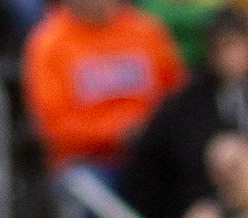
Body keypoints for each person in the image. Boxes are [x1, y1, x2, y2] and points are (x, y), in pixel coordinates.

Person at [118, 6, 248, 218]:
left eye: (237, 43)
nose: (231, 55)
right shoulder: (184, 106)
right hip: (208, 215)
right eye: (223, 46)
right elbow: (149, 171)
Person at [22, 0, 184, 174]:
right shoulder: (48, 42)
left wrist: (151, 130)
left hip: (152, 152)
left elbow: (178, 94)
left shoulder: (146, 30)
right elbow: (53, 126)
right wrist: (118, 132)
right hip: (86, 161)